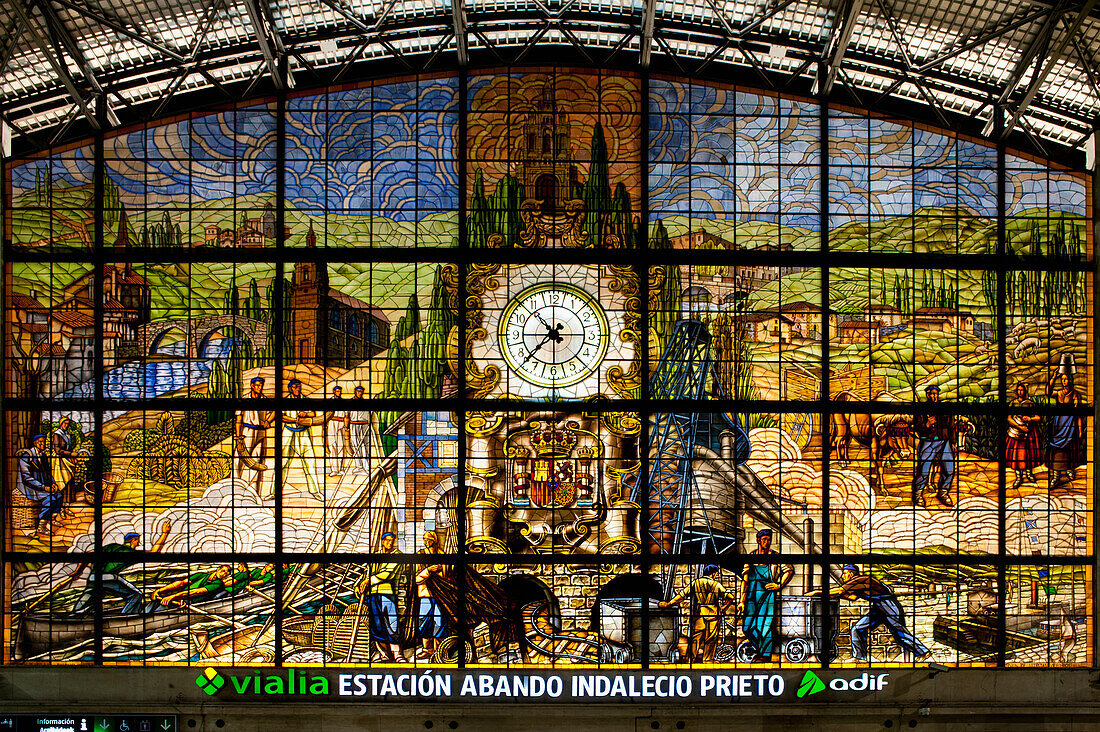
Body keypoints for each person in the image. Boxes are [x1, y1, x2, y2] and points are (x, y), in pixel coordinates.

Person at [811, 564, 930, 663]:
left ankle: (923, 652)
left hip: (888, 606)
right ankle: (860, 657)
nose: (842, 576)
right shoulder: (858, 583)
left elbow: (841, 590)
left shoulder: (859, 580)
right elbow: (852, 597)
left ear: (851, 574)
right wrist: (835, 595)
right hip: (878, 607)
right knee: (857, 629)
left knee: (899, 633)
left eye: (845, 573)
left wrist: (818, 592)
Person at [70, 521, 173, 615]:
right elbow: (154, 553)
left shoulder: (111, 547)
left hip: (93, 578)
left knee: (88, 600)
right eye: (137, 541)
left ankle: (74, 617)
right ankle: (127, 616)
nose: (137, 544)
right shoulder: (131, 553)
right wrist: (165, 533)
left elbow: (88, 555)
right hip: (108, 578)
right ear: (134, 540)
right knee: (136, 595)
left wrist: (78, 571)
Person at [737, 529, 794, 662]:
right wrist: (741, 600)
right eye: (764, 539)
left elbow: (789, 570)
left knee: (766, 626)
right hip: (751, 595)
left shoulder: (775, 556)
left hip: (768, 595)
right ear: (758, 540)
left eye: (769, 539)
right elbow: (745, 580)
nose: (767, 542)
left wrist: (779, 585)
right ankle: (761, 649)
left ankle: (764, 655)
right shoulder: (751, 557)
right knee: (747, 627)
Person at [660, 564, 732, 663]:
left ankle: (691, 659)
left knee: (696, 638)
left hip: (699, 614)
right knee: (711, 639)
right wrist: (723, 608)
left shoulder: (696, 583)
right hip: (714, 614)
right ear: (714, 573)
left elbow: (682, 595)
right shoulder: (717, 585)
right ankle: (708, 660)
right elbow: (730, 597)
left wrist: (669, 603)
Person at [355, 532, 404, 662]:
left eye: (391, 541)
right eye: (387, 540)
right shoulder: (375, 556)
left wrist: (367, 582)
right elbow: (367, 573)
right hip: (373, 595)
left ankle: (397, 655)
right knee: (376, 626)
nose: (389, 543)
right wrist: (358, 584)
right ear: (382, 541)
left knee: (392, 624)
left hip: (388, 594)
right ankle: (384, 655)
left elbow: (387, 574)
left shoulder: (397, 555)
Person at [912, 385, 964, 508]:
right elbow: (917, 427)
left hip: (944, 441)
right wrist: (927, 424)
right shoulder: (921, 409)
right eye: (931, 394)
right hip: (927, 442)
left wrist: (953, 442)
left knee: (949, 469)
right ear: (927, 395)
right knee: (923, 471)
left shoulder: (945, 408)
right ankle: (918, 494)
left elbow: (951, 426)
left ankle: (943, 492)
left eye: (936, 394)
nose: (934, 396)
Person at [282, 378, 322, 500]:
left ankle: (315, 491)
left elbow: (313, 414)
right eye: (294, 387)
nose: (297, 389)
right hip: (288, 432)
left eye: (299, 386)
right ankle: (275, 492)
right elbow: (282, 417)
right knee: (282, 463)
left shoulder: (305, 400)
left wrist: (305, 414)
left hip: (304, 433)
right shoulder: (284, 401)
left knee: (310, 462)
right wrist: (296, 421)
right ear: (290, 388)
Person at [17, 434, 64, 536]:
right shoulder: (26, 457)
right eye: (40, 442)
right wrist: (44, 487)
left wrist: (53, 483)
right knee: (50, 499)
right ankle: (41, 526)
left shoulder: (43, 456)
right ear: (35, 443)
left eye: (44, 442)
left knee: (59, 495)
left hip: (43, 485)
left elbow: (47, 473)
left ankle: (51, 519)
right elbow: (27, 478)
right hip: (30, 487)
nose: (43, 444)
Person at [235, 377, 274, 499]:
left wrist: (268, 420)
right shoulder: (244, 399)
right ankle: (235, 488)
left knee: (257, 462)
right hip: (247, 431)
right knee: (239, 459)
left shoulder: (264, 400)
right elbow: (239, 419)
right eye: (257, 385)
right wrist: (238, 436)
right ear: (252, 385)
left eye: (261, 385)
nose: (259, 387)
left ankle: (253, 493)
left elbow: (274, 410)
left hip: (261, 431)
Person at [1048, 372, 1085, 489]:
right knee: (1056, 450)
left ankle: (1069, 470)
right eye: (1062, 379)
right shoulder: (1059, 393)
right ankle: (1056, 476)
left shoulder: (1075, 395)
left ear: (1071, 380)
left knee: (1068, 448)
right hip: (1058, 424)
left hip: (1069, 424)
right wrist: (1053, 378)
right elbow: (1047, 392)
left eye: (1066, 379)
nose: (1064, 381)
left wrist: (1079, 429)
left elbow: (1078, 414)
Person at [1006, 383, 1042, 489]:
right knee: (1017, 456)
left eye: (1022, 390)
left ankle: (1029, 474)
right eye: (1018, 390)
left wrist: (1030, 419)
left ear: (1025, 391)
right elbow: (1009, 418)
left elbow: (1039, 418)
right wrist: (1019, 427)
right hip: (1016, 432)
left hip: (1029, 432)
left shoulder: (1030, 404)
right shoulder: (1013, 403)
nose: (1020, 392)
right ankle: (1018, 477)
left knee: (1028, 454)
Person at [151, 564, 234, 607]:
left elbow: (196, 592)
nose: (224, 574)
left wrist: (173, 597)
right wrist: (159, 591)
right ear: (218, 569)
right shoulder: (200, 575)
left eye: (226, 573)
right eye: (223, 571)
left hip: (190, 602)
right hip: (179, 598)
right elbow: (181, 583)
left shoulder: (218, 584)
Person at [49, 417, 84, 507]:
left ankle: (69, 501)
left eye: (67, 424)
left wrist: (73, 457)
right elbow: (57, 450)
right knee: (63, 480)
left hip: (67, 458)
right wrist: (71, 454)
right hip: (59, 460)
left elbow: (69, 447)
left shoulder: (66, 434)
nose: (66, 425)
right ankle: (62, 503)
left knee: (69, 479)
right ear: (61, 424)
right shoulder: (57, 434)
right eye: (65, 424)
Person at [324, 385, 351, 477]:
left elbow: (347, 415)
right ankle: (334, 469)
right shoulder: (329, 402)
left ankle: (341, 468)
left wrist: (347, 427)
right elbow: (325, 415)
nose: (338, 393)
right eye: (337, 391)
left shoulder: (344, 402)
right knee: (332, 446)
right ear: (334, 392)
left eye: (340, 391)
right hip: (331, 423)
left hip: (341, 424)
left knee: (341, 446)